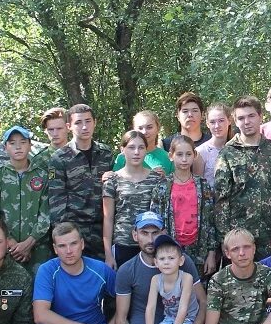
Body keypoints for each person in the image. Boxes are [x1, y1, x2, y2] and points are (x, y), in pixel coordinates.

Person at [214, 96, 271, 256]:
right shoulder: (228, 153)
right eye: (241, 118)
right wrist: (226, 237)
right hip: (241, 236)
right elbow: (221, 199)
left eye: (251, 116)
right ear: (235, 121)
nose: (247, 121)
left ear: (261, 117)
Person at [47, 104, 117, 260]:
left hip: (102, 231)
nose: (84, 127)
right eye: (78, 122)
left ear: (95, 122)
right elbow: (56, 200)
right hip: (74, 233)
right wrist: (64, 236)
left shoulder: (105, 153)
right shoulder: (60, 158)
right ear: (69, 126)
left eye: (88, 121)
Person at [0, 126, 52, 272]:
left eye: (22, 142)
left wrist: (29, 242)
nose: (18, 147)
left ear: (30, 145)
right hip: (7, 247)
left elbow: (46, 212)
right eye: (12, 143)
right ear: (5, 147)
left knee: (38, 289)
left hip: (38, 247)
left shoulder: (42, 176)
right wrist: (11, 243)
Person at [151, 134, 219, 276]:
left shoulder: (203, 185)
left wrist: (211, 254)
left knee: (198, 292)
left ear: (194, 155)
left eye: (188, 154)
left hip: (199, 251)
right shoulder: (162, 186)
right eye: (179, 154)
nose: (184, 159)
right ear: (171, 155)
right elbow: (155, 221)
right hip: (170, 250)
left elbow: (211, 221)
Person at [103, 130, 166, 267]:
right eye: (131, 147)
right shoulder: (112, 180)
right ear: (122, 150)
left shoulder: (156, 179)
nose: (136, 152)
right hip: (122, 245)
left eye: (141, 147)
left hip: (151, 244)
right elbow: (108, 218)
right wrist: (108, 253)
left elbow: (163, 214)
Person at [113, 110, 174, 175]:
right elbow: (115, 180)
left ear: (158, 128)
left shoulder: (168, 158)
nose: (144, 132)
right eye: (140, 128)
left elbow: (176, 182)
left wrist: (164, 179)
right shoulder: (123, 157)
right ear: (134, 130)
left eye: (149, 127)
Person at [197, 102, 232, 192]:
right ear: (207, 124)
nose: (217, 126)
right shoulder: (201, 152)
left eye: (221, 120)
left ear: (229, 120)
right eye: (212, 122)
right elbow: (198, 186)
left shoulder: (238, 148)